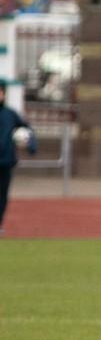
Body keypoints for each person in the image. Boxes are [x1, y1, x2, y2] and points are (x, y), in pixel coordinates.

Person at [0, 80, 37, 237]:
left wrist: (31, 145)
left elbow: (26, 129)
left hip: (6, 161)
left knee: (2, 195)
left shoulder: (10, 114)